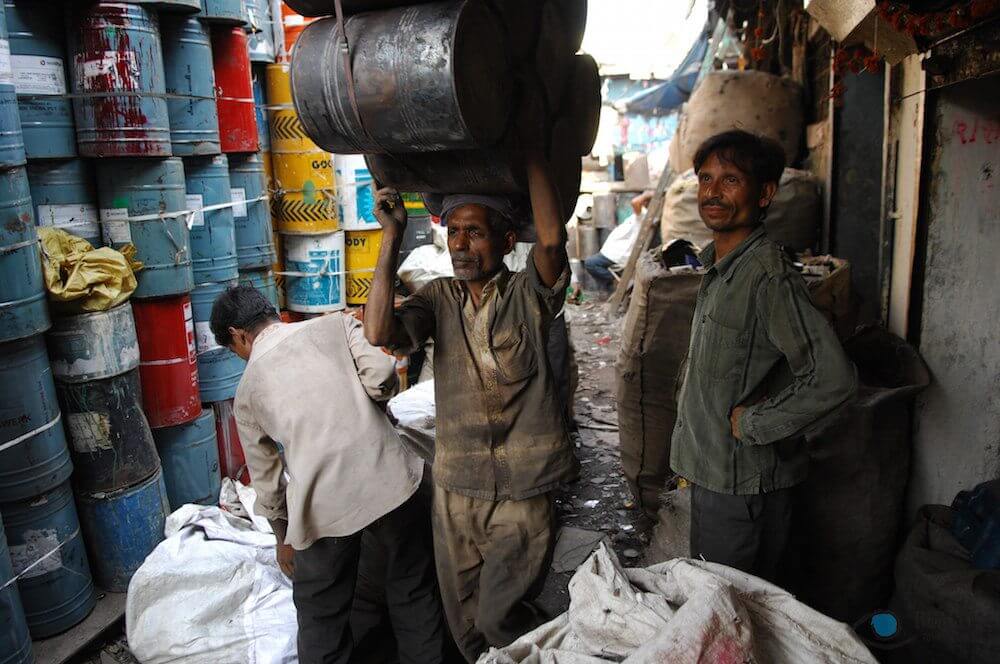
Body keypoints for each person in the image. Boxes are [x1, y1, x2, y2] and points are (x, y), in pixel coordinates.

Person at [364, 153, 576, 662]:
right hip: (457, 489)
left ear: (506, 241)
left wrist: (533, 148)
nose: (460, 244)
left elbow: (551, 242)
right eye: (454, 231)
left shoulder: (528, 294)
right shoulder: (439, 298)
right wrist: (392, 235)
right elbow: (377, 332)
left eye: (475, 232)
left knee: (501, 616)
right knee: (465, 626)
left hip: (523, 490)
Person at [211, 284, 446, 664]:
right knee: (413, 589)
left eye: (234, 349)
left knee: (322, 615)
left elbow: (268, 482)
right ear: (272, 313)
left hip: (323, 510)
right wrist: (376, 405)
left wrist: (283, 539)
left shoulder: (247, 391)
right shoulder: (336, 325)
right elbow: (382, 376)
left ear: (238, 336)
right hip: (392, 481)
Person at [672, 130, 857, 583]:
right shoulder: (721, 269)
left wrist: (755, 423)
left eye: (731, 180)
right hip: (714, 474)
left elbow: (833, 378)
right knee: (716, 601)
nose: (713, 192)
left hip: (742, 489)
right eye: (706, 178)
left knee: (730, 608)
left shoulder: (767, 277)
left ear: (765, 194)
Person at [582, 191, 653, 290]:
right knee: (594, 265)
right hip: (612, 253)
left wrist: (648, 194)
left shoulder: (643, 215)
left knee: (591, 264)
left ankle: (618, 283)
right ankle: (615, 285)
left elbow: (635, 202)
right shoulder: (641, 215)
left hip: (618, 255)